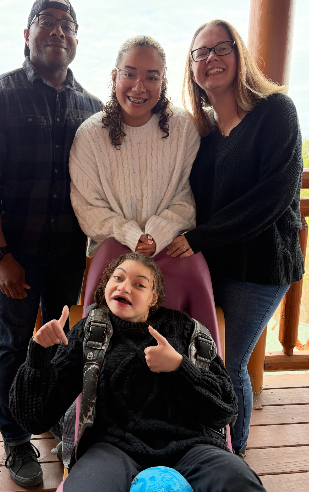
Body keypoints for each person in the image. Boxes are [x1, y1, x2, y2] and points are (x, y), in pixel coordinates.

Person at [9, 252, 276, 492]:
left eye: (139, 284)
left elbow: (225, 409)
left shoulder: (186, 330)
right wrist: (38, 355)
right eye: (118, 278)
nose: (125, 287)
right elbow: (35, 417)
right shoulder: (91, 331)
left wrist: (179, 367)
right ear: (106, 285)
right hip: (112, 448)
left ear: (154, 298)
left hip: (192, 446)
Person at [0, 0, 103, 488]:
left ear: (77, 39)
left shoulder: (92, 109)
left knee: (61, 340)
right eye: (47, 22)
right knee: (13, 343)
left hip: (69, 254)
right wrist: (1, 256)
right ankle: (16, 438)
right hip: (16, 254)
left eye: (68, 25)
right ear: (27, 34)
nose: (57, 31)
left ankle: (51, 416)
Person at [165, 20, 305, 459]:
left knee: (229, 361)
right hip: (215, 266)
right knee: (206, 357)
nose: (211, 58)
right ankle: (210, 445)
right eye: (200, 53)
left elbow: (273, 196)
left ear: (239, 54)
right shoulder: (203, 134)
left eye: (220, 48)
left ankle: (233, 453)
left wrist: (201, 237)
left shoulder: (275, 112)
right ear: (192, 70)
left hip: (261, 268)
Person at [69, 35, 220, 348]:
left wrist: (156, 234)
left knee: (193, 267)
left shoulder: (183, 128)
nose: (139, 87)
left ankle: (203, 372)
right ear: (114, 77)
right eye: (129, 74)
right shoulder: (90, 135)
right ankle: (98, 374)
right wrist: (131, 235)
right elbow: (88, 208)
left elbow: (189, 196)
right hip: (113, 247)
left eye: (152, 77)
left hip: (170, 243)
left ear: (163, 83)